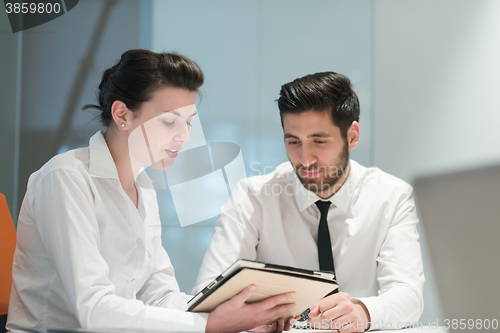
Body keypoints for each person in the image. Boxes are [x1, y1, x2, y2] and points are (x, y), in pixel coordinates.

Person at [6, 49, 296, 333]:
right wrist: (210, 325)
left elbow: (159, 296)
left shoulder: (144, 188)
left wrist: (235, 316)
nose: (185, 136)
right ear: (122, 114)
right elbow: (94, 310)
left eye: (189, 123)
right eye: (170, 121)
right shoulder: (65, 178)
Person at [193, 72, 425, 332]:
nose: (305, 159)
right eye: (293, 142)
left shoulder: (391, 197)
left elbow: (409, 295)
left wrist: (363, 312)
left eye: (318, 141)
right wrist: (251, 317)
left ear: (352, 136)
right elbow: (207, 297)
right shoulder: (253, 198)